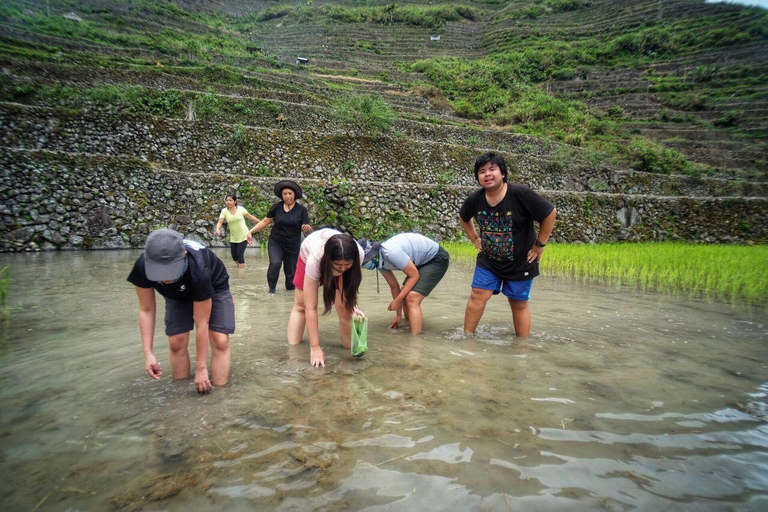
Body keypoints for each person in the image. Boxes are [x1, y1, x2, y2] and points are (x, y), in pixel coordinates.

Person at [459, 151, 556, 337]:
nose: (487, 174)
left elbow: (549, 212)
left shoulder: (520, 194)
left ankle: (522, 346)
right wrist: (475, 239)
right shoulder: (476, 199)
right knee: (478, 294)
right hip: (489, 260)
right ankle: (467, 338)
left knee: (518, 303)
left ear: (502, 173)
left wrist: (540, 245)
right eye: (482, 171)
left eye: (492, 169)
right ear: (477, 177)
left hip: (521, 261)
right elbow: (464, 218)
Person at [127, 229, 234, 393]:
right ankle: (180, 395)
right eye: (160, 273)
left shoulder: (200, 268)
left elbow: (202, 323)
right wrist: (148, 353)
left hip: (214, 286)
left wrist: (201, 367)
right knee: (176, 341)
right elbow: (146, 310)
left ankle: (221, 396)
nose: (166, 278)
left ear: (184, 254)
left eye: (170, 270)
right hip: (176, 295)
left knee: (220, 340)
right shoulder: (142, 267)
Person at [286, 228, 364, 367]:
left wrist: (353, 307)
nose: (343, 269)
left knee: (346, 309)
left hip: (334, 257)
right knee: (301, 306)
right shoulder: (315, 259)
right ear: (330, 260)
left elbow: (348, 288)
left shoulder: (358, 254)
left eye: (347, 264)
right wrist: (315, 346)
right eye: (338, 265)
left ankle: (349, 352)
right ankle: (293, 353)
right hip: (309, 255)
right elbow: (311, 307)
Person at [359, 233, 449, 334]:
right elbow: (394, 286)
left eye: (363, 263)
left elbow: (414, 276)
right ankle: (409, 326)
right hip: (419, 262)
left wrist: (397, 301)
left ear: (370, 257)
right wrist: (398, 316)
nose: (364, 266)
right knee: (404, 294)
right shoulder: (378, 262)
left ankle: (415, 341)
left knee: (412, 298)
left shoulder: (390, 252)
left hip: (436, 258)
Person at [248, 180, 311, 293]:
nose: (287, 196)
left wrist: (305, 229)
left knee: (290, 272)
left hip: (293, 244)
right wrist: (250, 232)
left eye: (290, 194)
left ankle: (290, 296)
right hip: (276, 242)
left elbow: (306, 227)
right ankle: (271, 291)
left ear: (295, 194)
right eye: (285, 194)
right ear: (281, 195)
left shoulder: (302, 210)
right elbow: (264, 222)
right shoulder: (276, 208)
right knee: (275, 263)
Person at [215, 193, 260, 269]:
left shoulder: (241, 209)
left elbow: (250, 217)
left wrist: (260, 222)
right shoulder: (224, 211)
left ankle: (241, 273)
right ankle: (241, 266)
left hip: (244, 235)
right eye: (227, 200)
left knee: (239, 254)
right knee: (234, 257)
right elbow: (220, 222)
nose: (228, 202)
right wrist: (217, 229)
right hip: (233, 237)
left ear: (235, 201)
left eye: (230, 200)